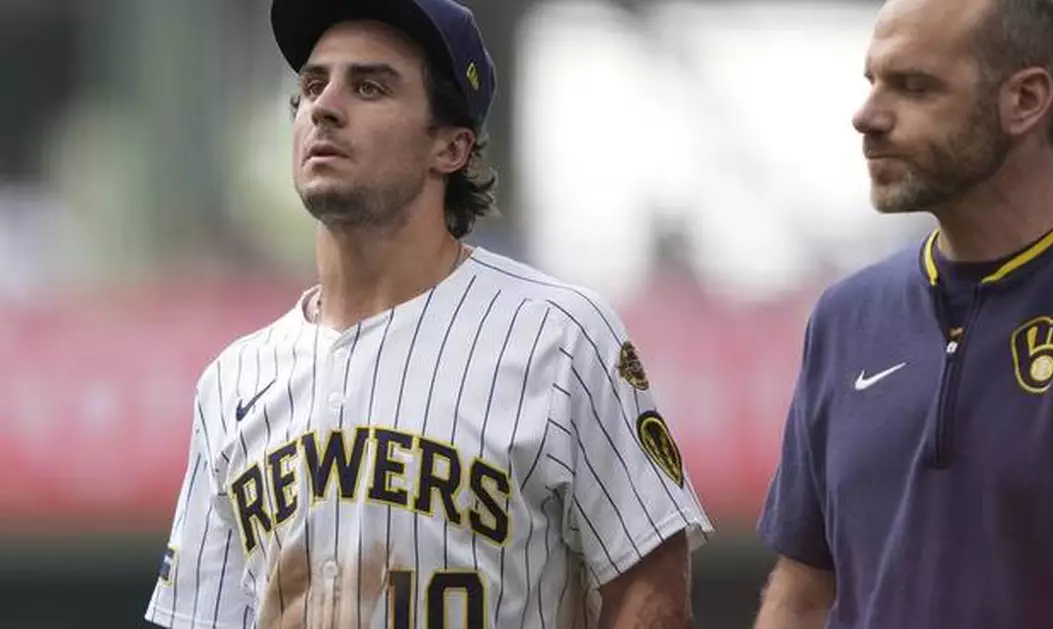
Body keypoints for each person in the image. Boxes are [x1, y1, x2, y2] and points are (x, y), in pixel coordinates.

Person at [144, 1, 712, 627]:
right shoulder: (232, 381)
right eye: (311, 85)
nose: (324, 107)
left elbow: (651, 589)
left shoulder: (558, 337)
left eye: (368, 86)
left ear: (450, 146)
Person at [753, 0, 1053, 627]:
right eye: (873, 82)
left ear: (1024, 100)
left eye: (914, 87)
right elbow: (801, 596)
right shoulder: (844, 318)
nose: (868, 116)